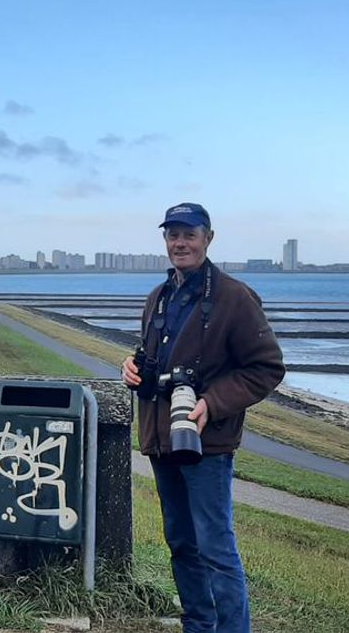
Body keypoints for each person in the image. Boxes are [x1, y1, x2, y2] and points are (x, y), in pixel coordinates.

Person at [122, 203, 285, 633]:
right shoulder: (158, 296)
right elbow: (153, 359)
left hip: (207, 442)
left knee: (215, 547)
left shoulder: (234, 296)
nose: (180, 243)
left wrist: (211, 404)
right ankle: (198, 626)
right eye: (172, 234)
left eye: (189, 234)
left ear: (208, 239)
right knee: (181, 543)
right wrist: (133, 368)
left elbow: (266, 368)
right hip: (161, 437)